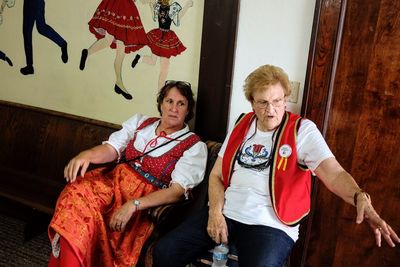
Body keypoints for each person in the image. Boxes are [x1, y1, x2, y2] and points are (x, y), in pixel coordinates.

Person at [152, 65, 400, 267]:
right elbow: (216, 175)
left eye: (278, 101)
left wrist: (359, 197)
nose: (271, 111)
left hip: (270, 225)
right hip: (226, 213)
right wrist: (215, 213)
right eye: (262, 103)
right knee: (165, 251)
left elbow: (333, 173)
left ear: (286, 98)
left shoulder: (302, 130)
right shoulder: (242, 124)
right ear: (251, 103)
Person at [48, 80, 207, 266]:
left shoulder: (194, 146)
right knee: (76, 195)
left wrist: (134, 204)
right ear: (161, 104)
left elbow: (177, 191)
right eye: (169, 101)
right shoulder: (142, 123)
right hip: (112, 184)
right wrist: (87, 155)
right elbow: (113, 148)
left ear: (188, 110)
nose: (174, 108)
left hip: (144, 200)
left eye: (181, 104)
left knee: (91, 216)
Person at [79, 0, 148, 100]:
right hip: (124, 8)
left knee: (109, 40)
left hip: (115, 5)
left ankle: (88, 52)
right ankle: (119, 83)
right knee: (120, 48)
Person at [131, 0, 193, 90]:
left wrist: (151, 6)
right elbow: (177, 20)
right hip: (165, 38)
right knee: (164, 69)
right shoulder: (172, 8)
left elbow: (154, 17)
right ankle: (161, 92)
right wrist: (187, 6)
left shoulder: (158, 6)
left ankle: (139, 58)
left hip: (158, 35)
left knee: (153, 61)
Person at [20, 0, 68, 75]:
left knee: (27, 32)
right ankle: (62, 43)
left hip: (31, 3)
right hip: (38, 2)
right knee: (41, 27)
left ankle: (29, 66)